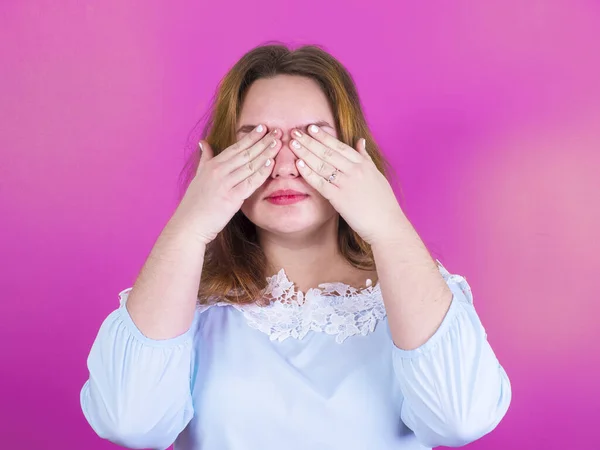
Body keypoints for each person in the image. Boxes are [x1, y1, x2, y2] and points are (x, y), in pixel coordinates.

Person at [80, 43, 511, 450]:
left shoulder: (418, 291)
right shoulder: (186, 301)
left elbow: (460, 420)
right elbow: (131, 422)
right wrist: (189, 226)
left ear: (353, 152)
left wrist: (389, 226)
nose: (284, 165)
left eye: (311, 138)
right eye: (256, 140)